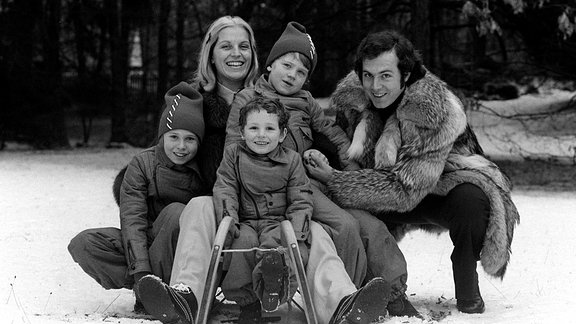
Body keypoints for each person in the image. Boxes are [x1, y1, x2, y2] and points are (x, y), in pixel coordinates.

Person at [136, 17, 393, 324]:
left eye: (243, 46)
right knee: (198, 207)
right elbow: (171, 155)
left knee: (324, 230)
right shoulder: (192, 101)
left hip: (288, 191)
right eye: (227, 46)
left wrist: (327, 164)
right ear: (211, 52)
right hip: (232, 196)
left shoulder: (291, 101)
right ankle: (185, 294)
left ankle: (343, 302)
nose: (236, 53)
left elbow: (324, 135)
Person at [305, 30, 520, 314]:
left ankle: (467, 283)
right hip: (383, 185)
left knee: (472, 201)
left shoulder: (431, 108)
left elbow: (404, 189)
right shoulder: (353, 101)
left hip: (441, 185)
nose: (375, 86)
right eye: (368, 76)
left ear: (405, 75)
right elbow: (339, 145)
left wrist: (334, 180)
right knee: (341, 213)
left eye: (385, 76)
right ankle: (362, 283)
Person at [225, 20, 368, 289]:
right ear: (270, 64)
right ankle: (271, 286)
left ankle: (349, 292)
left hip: (302, 185)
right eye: (287, 65)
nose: (292, 75)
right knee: (274, 239)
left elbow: (332, 133)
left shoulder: (306, 101)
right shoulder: (248, 98)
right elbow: (233, 149)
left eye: (301, 72)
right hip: (259, 189)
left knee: (347, 225)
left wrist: (350, 169)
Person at [67, 82, 207, 314]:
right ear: (162, 136)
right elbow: (133, 219)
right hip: (144, 240)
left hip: (183, 250)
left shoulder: (205, 169)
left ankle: (173, 293)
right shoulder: (143, 163)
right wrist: (141, 273)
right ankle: (149, 291)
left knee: (176, 212)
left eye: (190, 139)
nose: (181, 147)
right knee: (84, 243)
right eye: (174, 137)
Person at [213, 96, 313, 313]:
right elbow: (225, 188)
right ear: (242, 132)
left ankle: (273, 286)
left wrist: (295, 234)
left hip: (277, 222)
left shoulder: (292, 160)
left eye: (269, 128)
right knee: (242, 244)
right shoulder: (233, 154)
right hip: (245, 221)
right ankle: (246, 301)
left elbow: (300, 198)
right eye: (254, 128)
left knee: (276, 247)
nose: (261, 135)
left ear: (282, 134)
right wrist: (228, 222)